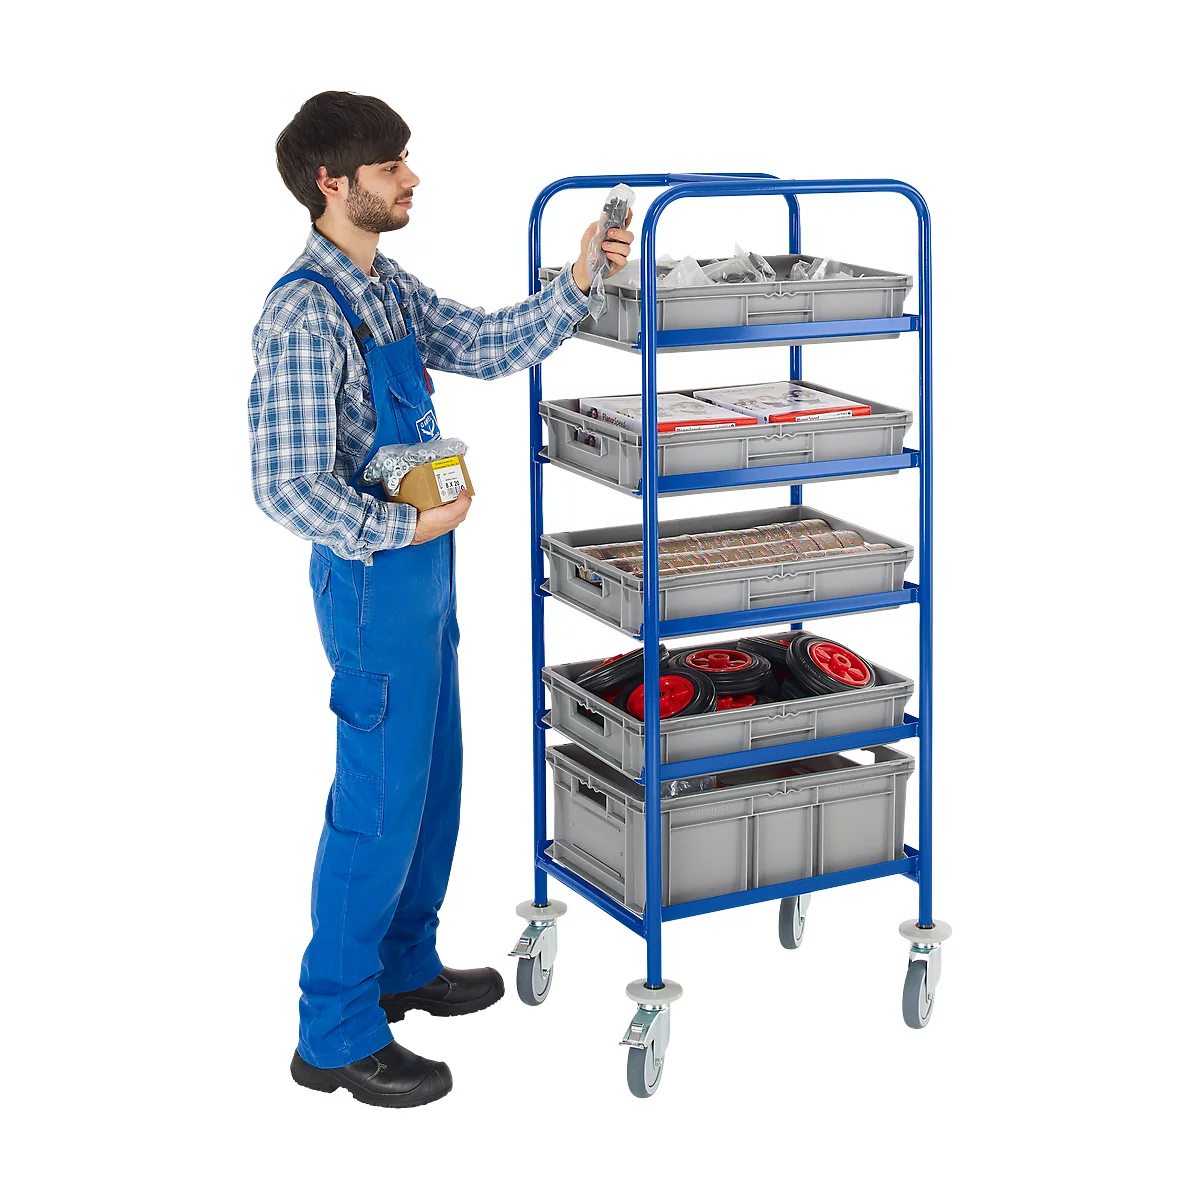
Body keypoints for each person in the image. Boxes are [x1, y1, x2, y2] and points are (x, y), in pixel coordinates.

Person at [247, 91, 633, 1108]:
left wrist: (581, 277)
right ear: (331, 183)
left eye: (405, 157)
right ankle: (333, 1029)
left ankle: (406, 964)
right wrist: (403, 529)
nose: (410, 177)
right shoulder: (304, 309)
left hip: (427, 577)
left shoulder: (382, 286)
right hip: (376, 580)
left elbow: (487, 339)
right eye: (388, 165)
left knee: (436, 777)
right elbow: (284, 484)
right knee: (376, 804)